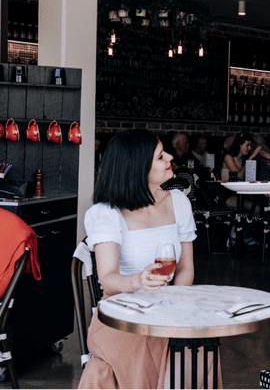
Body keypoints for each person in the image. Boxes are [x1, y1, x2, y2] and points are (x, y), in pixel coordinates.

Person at [78, 129, 220, 389]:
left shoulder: (178, 202)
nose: (169, 157)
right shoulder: (106, 213)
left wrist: (174, 307)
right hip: (122, 316)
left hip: (169, 310)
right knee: (149, 351)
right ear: (137, 167)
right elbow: (108, 280)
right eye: (159, 156)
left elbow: (186, 268)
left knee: (200, 352)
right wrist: (138, 281)